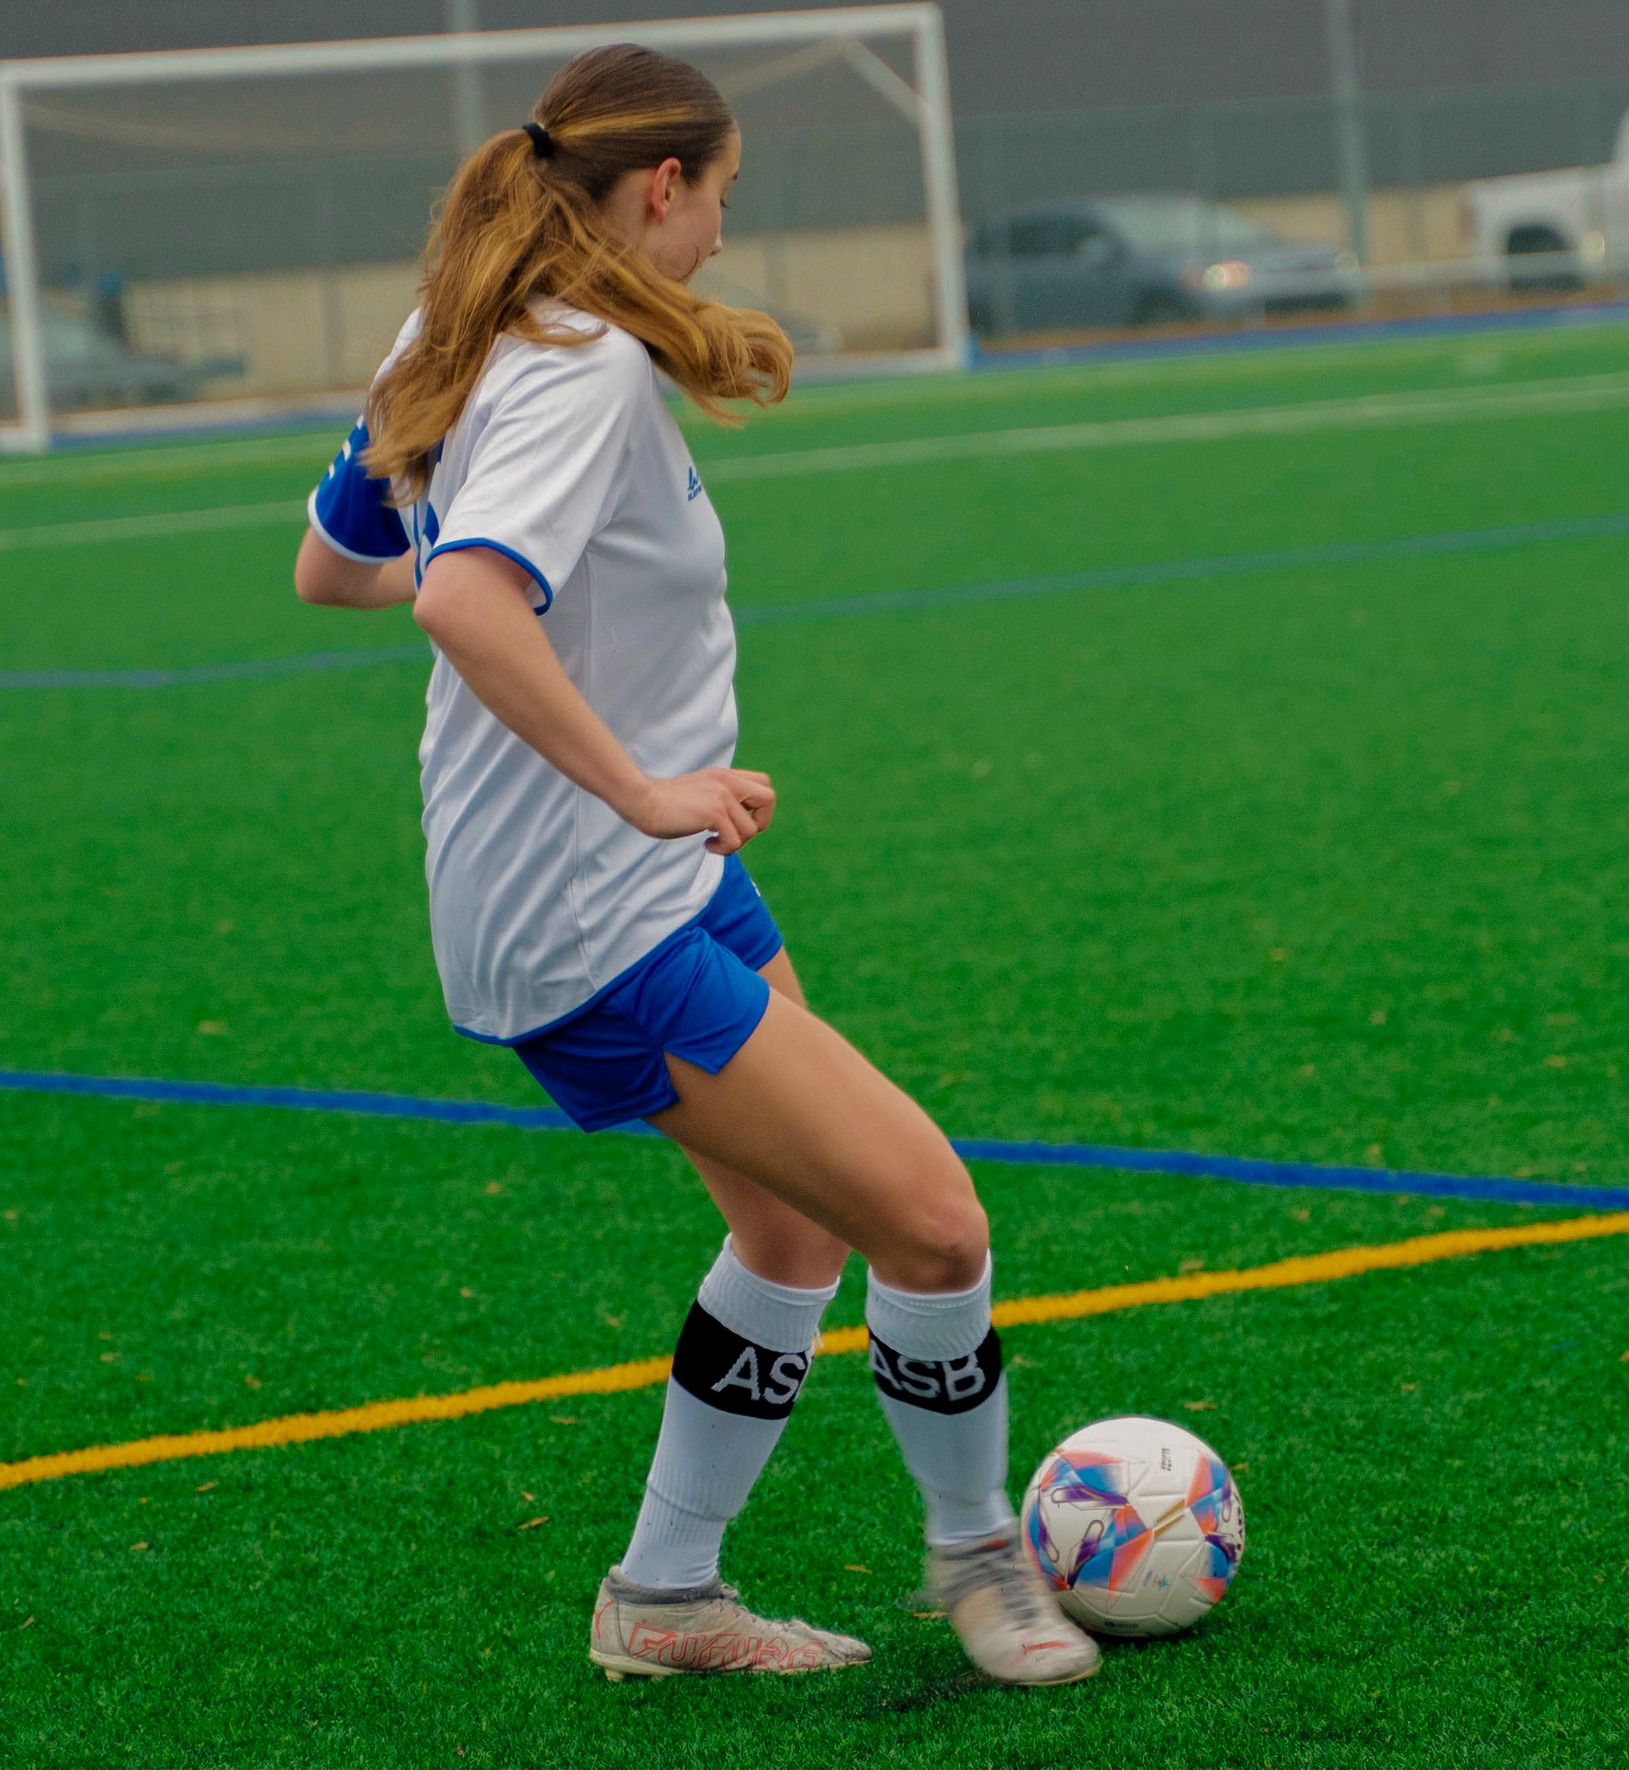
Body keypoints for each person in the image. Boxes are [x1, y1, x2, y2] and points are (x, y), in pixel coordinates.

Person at [291, 44, 1098, 1689]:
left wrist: (578, 697)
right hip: (590, 914)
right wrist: (638, 784)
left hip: (639, 878)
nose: (723, 234)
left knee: (799, 1234)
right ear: (659, 186)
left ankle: (663, 1600)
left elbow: (332, 570)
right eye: (720, 195)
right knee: (932, 1226)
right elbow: (454, 598)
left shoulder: (455, 320)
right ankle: (978, 1560)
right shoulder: (578, 365)